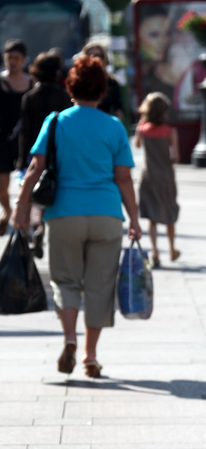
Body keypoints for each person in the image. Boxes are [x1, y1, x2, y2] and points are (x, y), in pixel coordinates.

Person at [11, 56, 142, 378]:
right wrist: (135, 219)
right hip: (106, 215)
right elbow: (124, 178)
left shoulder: (56, 121)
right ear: (102, 90)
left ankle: (70, 339)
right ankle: (90, 355)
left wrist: (21, 207)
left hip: (64, 213)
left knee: (65, 281)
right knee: (99, 286)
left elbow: (35, 168)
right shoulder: (113, 126)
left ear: (70, 87)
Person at [17, 52, 70, 257]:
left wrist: (22, 159)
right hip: (57, 154)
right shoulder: (64, 97)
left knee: (31, 192)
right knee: (50, 192)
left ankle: (32, 228)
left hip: (34, 153)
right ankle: (41, 227)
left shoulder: (30, 97)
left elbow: (24, 131)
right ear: (57, 72)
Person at [134, 92, 180, 267]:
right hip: (166, 177)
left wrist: (142, 122)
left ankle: (155, 252)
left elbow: (137, 145)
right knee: (169, 213)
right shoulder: (170, 132)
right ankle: (172, 249)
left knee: (152, 217)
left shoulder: (142, 130)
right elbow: (176, 157)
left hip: (148, 176)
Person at [0, 39, 32, 235]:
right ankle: (8, 210)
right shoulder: (1, 82)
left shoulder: (32, 83)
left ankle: (24, 224)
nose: (12, 62)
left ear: (24, 60)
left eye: (17, 58)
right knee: (1, 187)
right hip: (2, 140)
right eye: (9, 57)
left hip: (26, 141)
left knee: (27, 184)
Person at [81, 42, 124, 120]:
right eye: (89, 55)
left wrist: (114, 124)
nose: (94, 59)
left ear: (104, 59)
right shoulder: (79, 81)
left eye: (98, 55)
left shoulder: (111, 83)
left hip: (104, 122)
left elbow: (118, 108)